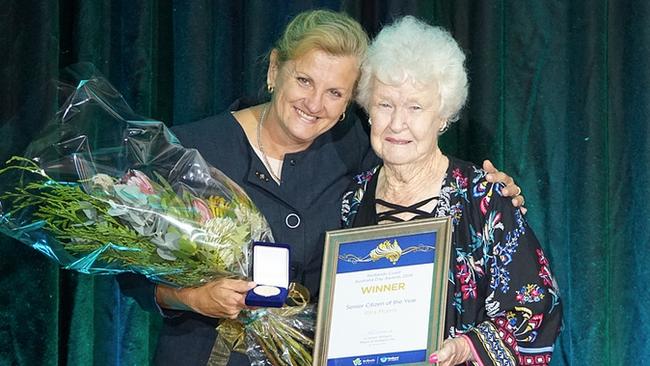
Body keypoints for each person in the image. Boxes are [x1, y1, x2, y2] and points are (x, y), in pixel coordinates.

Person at [118, 10, 526, 365]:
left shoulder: (357, 153)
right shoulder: (191, 149)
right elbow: (129, 268)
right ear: (275, 69)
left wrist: (495, 194)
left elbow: (421, 186)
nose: (315, 104)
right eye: (305, 80)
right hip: (204, 355)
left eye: (335, 93)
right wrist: (192, 296)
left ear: (351, 101)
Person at [341, 16, 562, 366]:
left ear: (442, 115)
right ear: (368, 109)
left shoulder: (483, 198)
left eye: (415, 107)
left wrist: (468, 347)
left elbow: (536, 305)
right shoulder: (351, 198)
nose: (397, 123)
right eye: (385, 104)